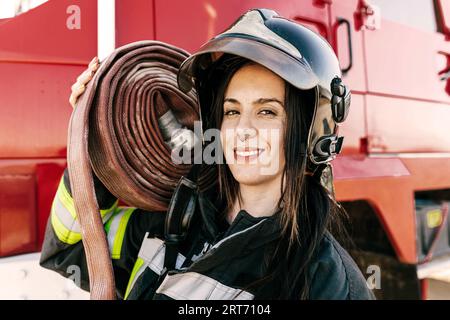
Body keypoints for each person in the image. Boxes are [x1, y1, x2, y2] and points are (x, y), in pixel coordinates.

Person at [40, 8, 375, 300]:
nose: (242, 130)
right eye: (231, 112)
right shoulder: (173, 221)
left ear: (313, 131)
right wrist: (96, 138)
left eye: (267, 112)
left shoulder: (326, 283)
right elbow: (70, 249)